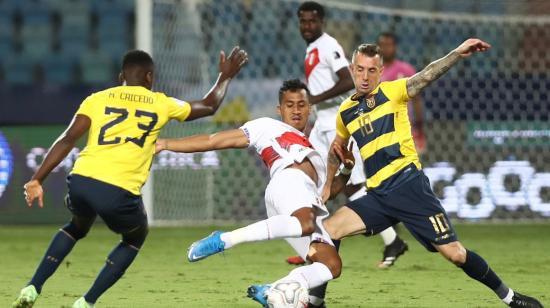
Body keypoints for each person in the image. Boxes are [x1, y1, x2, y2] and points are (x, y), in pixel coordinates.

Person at [13, 47, 248, 308]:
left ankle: (32, 287)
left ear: (120, 76)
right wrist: (224, 76)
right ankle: (86, 302)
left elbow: (68, 139)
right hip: (118, 190)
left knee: (76, 227)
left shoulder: (97, 98)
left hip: (81, 180)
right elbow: (208, 105)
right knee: (135, 236)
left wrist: (37, 180)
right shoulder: (161, 102)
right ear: (149, 77)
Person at [321, 39, 544, 308]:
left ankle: (510, 297)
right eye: (359, 69)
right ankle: (314, 302)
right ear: (352, 69)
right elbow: (337, 149)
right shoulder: (345, 112)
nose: (365, 76)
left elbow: (427, 75)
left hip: (409, 187)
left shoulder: (394, 92)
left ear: (381, 73)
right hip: (378, 194)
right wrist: (327, 185)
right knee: (329, 231)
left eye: (371, 70)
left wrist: (456, 53)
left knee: (456, 254)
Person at [156, 79, 355, 307]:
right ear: (279, 110)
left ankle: (275, 291)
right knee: (305, 224)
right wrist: (165, 143)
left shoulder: (314, 150)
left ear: (310, 108)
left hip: (301, 203)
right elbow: (214, 140)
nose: (296, 110)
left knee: (331, 265)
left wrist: (347, 169)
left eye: (301, 104)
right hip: (287, 183)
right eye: (289, 105)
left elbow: (326, 194)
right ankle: (224, 239)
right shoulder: (266, 127)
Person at [293, 0, 407, 273]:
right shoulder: (312, 49)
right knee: (322, 182)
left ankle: (392, 239)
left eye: (312, 21)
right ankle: (313, 246)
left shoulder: (328, 45)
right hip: (322, 121)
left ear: (321, 21)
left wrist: (315, 99)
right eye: (303, 21)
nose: (307, 25)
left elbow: (347, 80)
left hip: (337, 122)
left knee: (353, 185)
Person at [377, 31, 426, 153]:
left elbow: (416, 100)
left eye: (389, 45)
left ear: (395, 47)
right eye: (382, 45)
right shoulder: (372, 71)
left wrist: (419, 127)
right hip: (379, 129)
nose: (385, 48)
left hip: (404, 128)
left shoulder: (406, 70)